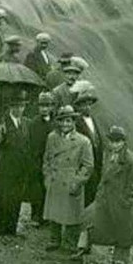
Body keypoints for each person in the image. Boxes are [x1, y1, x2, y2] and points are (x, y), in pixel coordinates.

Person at [72, 125, 133, 264]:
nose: (114, 144)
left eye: (118, 141)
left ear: (123, 142)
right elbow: (104, 177)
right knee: (87, 218)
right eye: (112, 141)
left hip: (121, 204)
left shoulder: (131, 160)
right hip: (104, 199)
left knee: (122, 233)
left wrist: (125, 201)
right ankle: (82, 248)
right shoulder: (108, 155)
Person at [43, 105, 94, 252]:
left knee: (72, 216)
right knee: (54, 213)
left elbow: (88, 166)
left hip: (71, 181)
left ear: (74, 122)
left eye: (69, 121)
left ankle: (70, 242)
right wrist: (47, 177)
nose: (65, 124)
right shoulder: (52, 137)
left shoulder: (83, 141)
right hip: (55, 179)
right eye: (62, 121)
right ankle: (54, 239)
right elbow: (46, 159)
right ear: (58, 122)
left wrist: (77, 182)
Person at [0, 94, 30, 237]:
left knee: (16, 198)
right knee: (3, 198)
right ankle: (0, 230)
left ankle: (11, 229)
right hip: (6, 168)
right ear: (10, 108)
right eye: (15, 106)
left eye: (21, 106)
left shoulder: (25, 123)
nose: (18, 109)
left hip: (21, 168)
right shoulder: (3, 122)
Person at [24, 92, 55, 226]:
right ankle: (36, 216)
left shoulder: (55, 123)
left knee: (50, 188)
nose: (44, 109)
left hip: (52, 161)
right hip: (37, 160)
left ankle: (49, 215)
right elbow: (30, 144)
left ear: (52, 107)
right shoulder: (33, 124)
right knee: (37, 189)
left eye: (47, 106)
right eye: (42, 106)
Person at [74, 89, 103, 207]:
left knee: (93, 193)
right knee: (85, 194)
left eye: (89, 104)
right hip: (84, 164)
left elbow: (97, 141)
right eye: (84, 104)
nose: (87, 107)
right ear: (79, 107)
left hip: (96, 164)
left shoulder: (93, 120)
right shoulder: (77, 122)